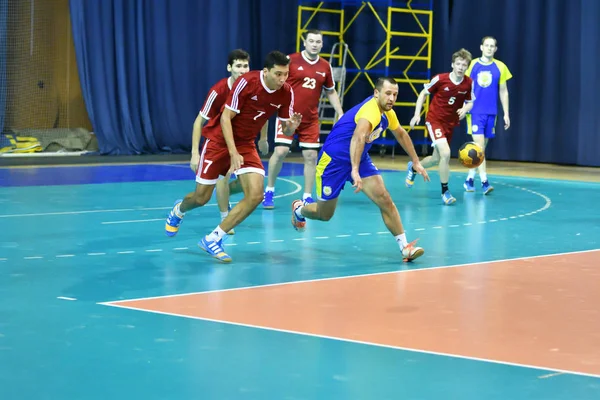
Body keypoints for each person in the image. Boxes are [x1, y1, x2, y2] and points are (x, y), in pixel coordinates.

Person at [165, 51, 302, 263]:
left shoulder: (286, 92)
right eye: (278, 74)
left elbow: (283, 127)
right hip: (219, 141)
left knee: (256, 195)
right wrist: (232, 152)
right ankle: (179, 208)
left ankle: (213, 239)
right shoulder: (247, 83)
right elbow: (225, 118)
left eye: (286, 74)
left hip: (246, 144)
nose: (282, 79)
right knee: (201, 198)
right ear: (265, 72)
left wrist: (290, 127)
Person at [290, 77, 429, 262]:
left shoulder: (388, 113)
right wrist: (354, 170)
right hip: (334, 162)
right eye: (388, 93)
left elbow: (401, 134)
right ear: (376, 93)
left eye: (395, 94)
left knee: (385, 199)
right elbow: (358, 137)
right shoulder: (370, 111)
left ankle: (405, 247)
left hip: (360, 159)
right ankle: (299, 210)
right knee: (324, 215)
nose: (392, 98)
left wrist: (416, 161)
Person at [263, 29, 344, 209]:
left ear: (322, 44)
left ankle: (307, 197)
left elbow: (330, 91)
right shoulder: (291, 61)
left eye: (318, 42)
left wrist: (339, 111)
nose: (315, 44)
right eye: (312, 41)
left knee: (311, 155)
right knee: (281, 151)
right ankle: (269, 190)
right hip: (288, 116)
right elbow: (278, 83)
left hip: (310, 120)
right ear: (304, 43)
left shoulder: (325, 66)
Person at [189, 49, 259, 235]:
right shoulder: (219, 90)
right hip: (219, 142)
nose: (243, 70)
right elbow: (199, 121)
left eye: (245, 66)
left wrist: (265, 138)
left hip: (243, 142)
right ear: (229, 68)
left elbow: (264, 112)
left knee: (250, 184)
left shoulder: (253, 87)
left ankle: (225, 200)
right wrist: (195, 153)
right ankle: (224, 217)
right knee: (219, 180)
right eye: (238, 66)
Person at [406, 48, 475, 205]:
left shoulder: (468, 83)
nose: (460, 67)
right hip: (435, 120)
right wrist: (417, 114)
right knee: (446, 153)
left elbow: (470, 102)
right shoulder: (440, 79)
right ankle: (445, 192)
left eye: (464, 65)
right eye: (458, 64)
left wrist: (465, 109)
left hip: (450, 124)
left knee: (436, 159)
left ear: (467, 67)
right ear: (452, 64)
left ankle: (414, 168)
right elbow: (423, 94)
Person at [463, 36, 512, 194]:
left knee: (482, 147)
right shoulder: (473, 65)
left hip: (491, 112)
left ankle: (469, 178)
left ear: (495, 49)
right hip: (475, 111)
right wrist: (464, 106)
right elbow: (465, 86)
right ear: (481, 47)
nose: (489, 48)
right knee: (479, 147)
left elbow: (503, 91)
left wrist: (506, 113)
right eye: (487, 45)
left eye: (492, 46)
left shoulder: (500, 67)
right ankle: (484, 181)